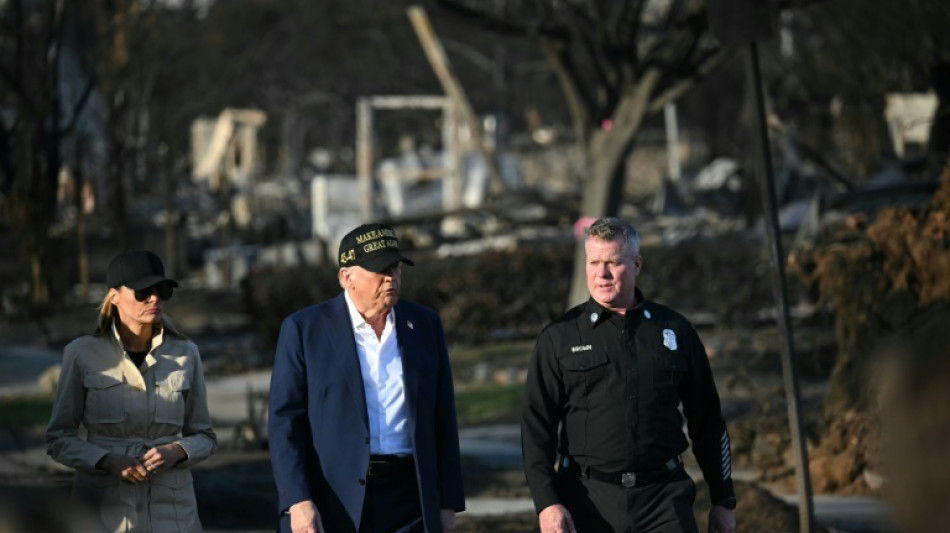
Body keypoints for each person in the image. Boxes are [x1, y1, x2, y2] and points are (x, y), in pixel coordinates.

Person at [522, 217, 737, 533]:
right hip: (586, 500)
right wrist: (547, 502)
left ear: (636, 265)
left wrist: (723, 498)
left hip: (664, 500)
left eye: (613, 262)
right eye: (594, 262)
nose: (602, 273)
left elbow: (707, 420)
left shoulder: (674, 331)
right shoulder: (560, 337)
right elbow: (535, 429)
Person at [268, 223, 465, 533]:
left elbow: (443, 417)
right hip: (334, 498)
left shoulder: (425, 325)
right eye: (380, 270)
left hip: (410, 497)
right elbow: (284, 423)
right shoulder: (305, 330)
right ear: (347, 277)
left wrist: (448, 502)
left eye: (396, 269)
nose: (391, 278)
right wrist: (297, 499)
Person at [46, 249, 217, 532]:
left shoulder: (187, 354)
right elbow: (59, 439)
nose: (154, 298)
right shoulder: (81, 354)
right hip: (104, 513)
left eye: (162, 290)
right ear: (114, 296)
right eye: (142, 291)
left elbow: (206, 437)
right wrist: (106, 460)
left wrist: (178, 450)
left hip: (174, 516)